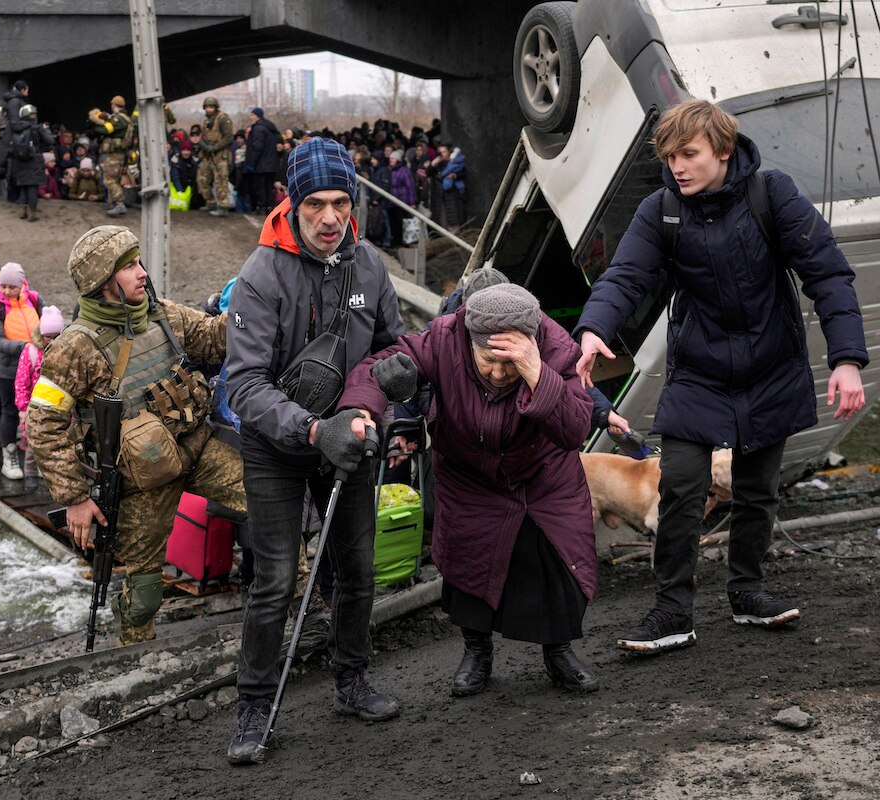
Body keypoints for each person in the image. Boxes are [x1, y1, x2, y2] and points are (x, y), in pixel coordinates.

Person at [573, 100, 868, 654]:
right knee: (680, 485)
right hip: (700, 372)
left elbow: (826, 273)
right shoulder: (660, 210)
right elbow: (627, 274)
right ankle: (671, 611)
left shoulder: (772, 194)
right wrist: (594, 329)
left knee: (756, 490)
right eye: (669, 157)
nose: (677, 166)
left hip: (771, 365)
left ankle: (748, 592)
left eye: (689, 154)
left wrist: (847, 359)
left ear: (724, 151)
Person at [223, 137, 406, 764]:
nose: (331, 218)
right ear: (292, 204)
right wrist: (310, 429)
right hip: (276, 445)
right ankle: (253, 705)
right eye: (315, 205)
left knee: (357, 571)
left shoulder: (371, 266)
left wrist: (389, 400)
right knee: (274, 580)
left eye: (341, 202)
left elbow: (393, 347)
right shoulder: (260, 275)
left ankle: (351, 679)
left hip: (349, 439)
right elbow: (242, 386)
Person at [344, 283, 600, 697]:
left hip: (542, 476)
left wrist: (537, 373)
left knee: (555, 564)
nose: (499, 374)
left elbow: (575, 430)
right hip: (469, 473)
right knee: (469, 562)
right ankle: (476, 651)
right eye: (488, 362)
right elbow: (379, 366)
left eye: (509, 365)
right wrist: (361, 408)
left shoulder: (555, 347)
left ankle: (559, 652)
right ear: (470, 341)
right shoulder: (445, 338)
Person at [27, 225, 245, 646]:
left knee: (274, 507)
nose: (141, 272)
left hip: (198, 448)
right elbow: (43, 423)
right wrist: (74, 498)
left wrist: (254, 304)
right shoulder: (74, 348)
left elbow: (215, 339)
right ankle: (132, 660)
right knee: (143, 594)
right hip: (142, 483)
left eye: (138, 262)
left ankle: (302, 614)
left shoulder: (163, 315)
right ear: (102, 280)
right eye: (128, 266)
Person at [0, 262, 42, 479]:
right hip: (8, 369)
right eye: (4, 286)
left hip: (36, 367)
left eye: (12, 287)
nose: (7, 291)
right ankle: (8, 457)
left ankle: (34, 458)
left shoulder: (34, 300)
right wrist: (25, 347)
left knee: (38, 411)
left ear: (22, 285)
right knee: (9, 410)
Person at [14, 305, 64, 492]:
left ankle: (49, 474)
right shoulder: (31, 352)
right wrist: (22, 408)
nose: (52, 341)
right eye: (48, 337)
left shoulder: (64, 352)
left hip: (57, 406)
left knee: (55, 443)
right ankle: (30, 473)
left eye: (56, 336)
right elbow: (21, 382)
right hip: (34, 408)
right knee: (31, 443)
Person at [6, 103, 54, 222]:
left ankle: (23, 212)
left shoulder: (16, 128)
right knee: (32, 187)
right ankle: (32, 214)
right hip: (34, 159)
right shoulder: (37, 128)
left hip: (20, 160)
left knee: (23, 186)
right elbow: (50, 141)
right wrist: (45, 130)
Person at [87, 95, 132, 217]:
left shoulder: (119, 118)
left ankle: (120, 204)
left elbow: (106, 129)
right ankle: (114, 203)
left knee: (109, 179)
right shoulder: (125, 118)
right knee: (114, 178)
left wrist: (94, 125)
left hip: (114, 154)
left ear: (113, 105)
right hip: (118, 154)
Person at [196, 96, 234, 217]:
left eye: (211, 107)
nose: (209, 109)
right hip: (207, 155)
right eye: (207, 107)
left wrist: (215, 147)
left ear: (216, 107)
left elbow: (228, 137)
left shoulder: (223, 119)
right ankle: (210, 202)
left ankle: (223, 206)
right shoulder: (205, 121)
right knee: (202, 179)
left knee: (221, 181)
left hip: (219, 155)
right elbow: (201, 137)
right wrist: (203, 145)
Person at [244, 107, 280, 216]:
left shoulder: (258, 129)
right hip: (271, 164)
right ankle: (269, 207)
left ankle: (262, 207)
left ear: (257, 116)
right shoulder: (270, 127)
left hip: (261, 164)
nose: (250, 117)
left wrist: (251, 163)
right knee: (269, 186)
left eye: (252, 115)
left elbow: (257, 147)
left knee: (260, 186)